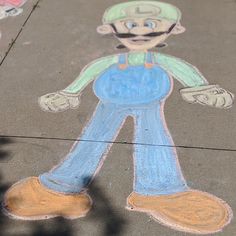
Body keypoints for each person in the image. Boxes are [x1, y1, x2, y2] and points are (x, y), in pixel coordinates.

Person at [3, 1, 234, 234]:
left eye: (152, 24)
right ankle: (61, 186)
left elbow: (185, 72)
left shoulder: (160, 61)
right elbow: (91, 71)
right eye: (130, 24)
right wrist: (69, 92)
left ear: (173, 29)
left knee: (155, 139)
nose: (140, 31)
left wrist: (204, 90)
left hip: (149, 105)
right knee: (92, 139)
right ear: (109, 29)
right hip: (109, 104)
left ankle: (160, 191)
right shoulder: (112, 61)